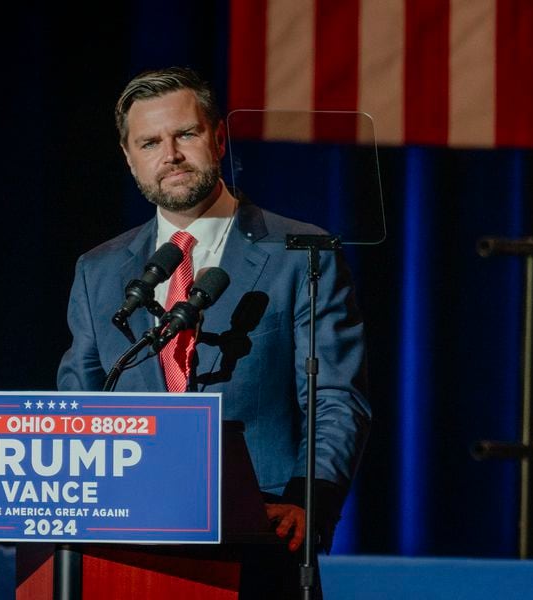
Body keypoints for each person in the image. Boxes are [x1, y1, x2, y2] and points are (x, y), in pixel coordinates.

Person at [55, 66, 371, 595]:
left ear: (219, 137)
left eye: (185, 134)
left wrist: (308, 498)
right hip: (127, 544)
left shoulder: (301, 253)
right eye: (150, 142)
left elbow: (337, 397)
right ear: (129, 158)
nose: (170, 155)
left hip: (262, 535)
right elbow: (79, 399)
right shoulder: (99, 270)